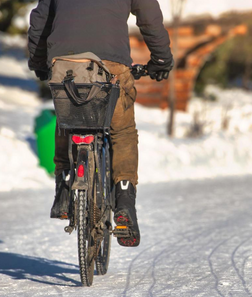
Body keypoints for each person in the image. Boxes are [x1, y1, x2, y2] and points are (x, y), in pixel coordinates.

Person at [28, 0, 173, 247]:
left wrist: (39, 62)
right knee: (123, 130)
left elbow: (40, 21)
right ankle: (125, 201)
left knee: (66, 119)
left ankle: (63, 186)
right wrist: (161, 60)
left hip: (65, 63)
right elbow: (149, 18)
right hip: (110, 66)